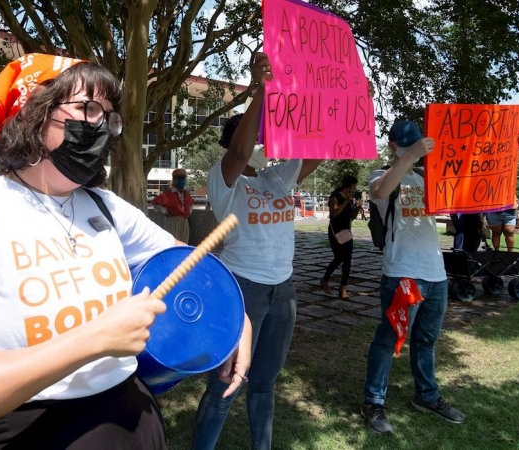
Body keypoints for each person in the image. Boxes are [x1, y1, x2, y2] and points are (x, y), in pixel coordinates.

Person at [0, 53, 252, 449]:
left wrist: (237, 317)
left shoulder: (103, 206)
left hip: (136, 420)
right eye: (87, 108)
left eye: (109, 117)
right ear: (33, 111)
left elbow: (186, 260)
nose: (102, 127)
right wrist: (93, 339)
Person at [191, 52, 322, 450]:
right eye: (253, 133)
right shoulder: (223, 178)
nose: (260, 141)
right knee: (225, 385)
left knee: (264, 385)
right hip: (242, 289)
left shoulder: (275, 177)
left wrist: (345, 105)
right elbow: (238, 155)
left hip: (282, 292)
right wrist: (261, 91)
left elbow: (317, 153)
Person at [361, 120, 465, 435]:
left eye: (417, 142)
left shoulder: (424, 177)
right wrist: (410, 156)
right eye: (408, 143)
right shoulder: (381, 176)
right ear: (394, 146)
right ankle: (373, 401)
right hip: (404, 275)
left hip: (436, 275)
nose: (416, 148)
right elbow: (380, 192)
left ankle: (427, 395)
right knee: (389, 339)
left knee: (426, 340)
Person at [320, 175, 362, 299]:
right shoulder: (336, 197)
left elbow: (352, 217)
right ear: (349, 185)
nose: (354, 189)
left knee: (348, 259)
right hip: (335, 231)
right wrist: (346, 202)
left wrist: (358, 207)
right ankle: (325, 279)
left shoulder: (350, 198)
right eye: (354, 186)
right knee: (339, 258)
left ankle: (343, 287)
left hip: (346, 231)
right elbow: (334, 213)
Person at [484, 132, 519, 252]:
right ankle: (496, 253)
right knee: (496, 232)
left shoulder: (508, 167)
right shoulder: (487, 167)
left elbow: (513, 158)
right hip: (492, 206)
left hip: (508, 206)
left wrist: (518, 145)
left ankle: (510, 254)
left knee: (510, 231)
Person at [151, 168, 194, 243]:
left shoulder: (186, 193)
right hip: (173, 221)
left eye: (184, 178)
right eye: (180, 178)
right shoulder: (168, 194)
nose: (182, 180)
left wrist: (188, 212)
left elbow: (191, 204)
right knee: (173, 243)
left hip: (184, 221)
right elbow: (155, 202)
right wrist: (165, 211)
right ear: (175, 180)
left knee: (184, 244)